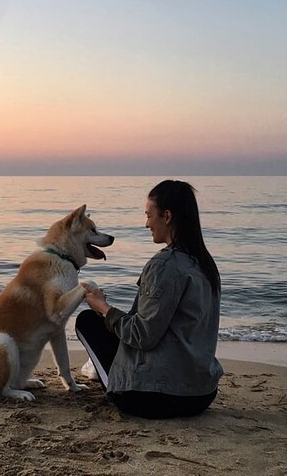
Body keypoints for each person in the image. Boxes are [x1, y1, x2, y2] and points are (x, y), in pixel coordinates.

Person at [75, 179, 223, 419]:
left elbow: (143, 336)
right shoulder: (205, 263)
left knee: (87, 321)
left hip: (157, 398)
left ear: (167, 216)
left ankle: (112, 381)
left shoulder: (164, 264)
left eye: (149, 215)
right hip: (202, 393)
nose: (146, 224)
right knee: (116, 327)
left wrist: (103, 307)